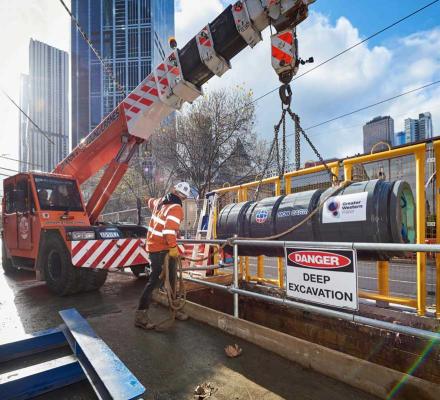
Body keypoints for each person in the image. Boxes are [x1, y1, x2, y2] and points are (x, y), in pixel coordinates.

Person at [135, 181, 191, 330]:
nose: (181, 197)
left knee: (172, 278)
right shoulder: (177, 208)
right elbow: (168, 231)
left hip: (158, 246)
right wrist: (173, 247)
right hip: (161, 249)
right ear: (183, 197)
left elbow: (150, 202)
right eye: (182, 195)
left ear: (174, 190)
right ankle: (140, 316)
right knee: (154, 281)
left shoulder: (161, 201)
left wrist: (146, 198)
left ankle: (174, 308)